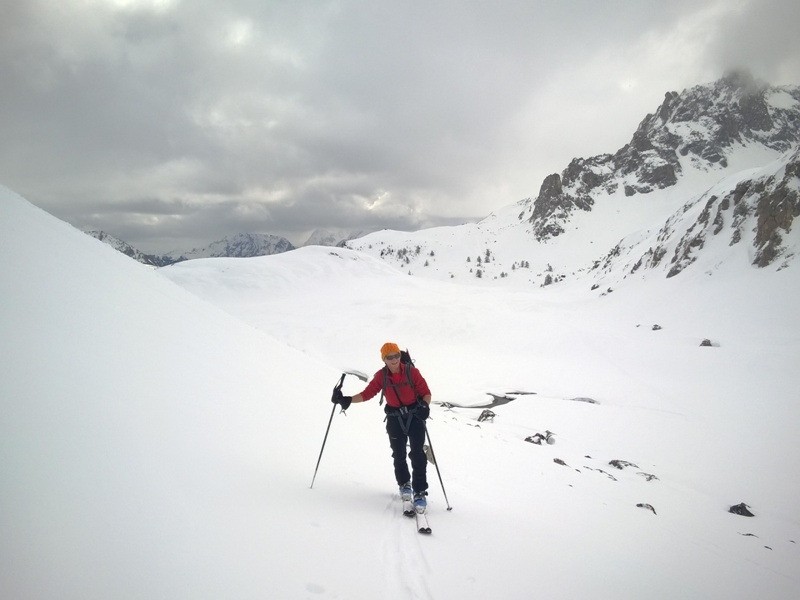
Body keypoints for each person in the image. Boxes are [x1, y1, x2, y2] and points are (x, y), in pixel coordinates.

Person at [332, 342, 432, 511]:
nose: (394, 360)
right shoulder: (382, 376)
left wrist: (425, 406)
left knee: (418, 454)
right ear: (384, 359)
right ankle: (404, 484)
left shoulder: (411, 372)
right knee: (398, 454)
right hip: (394, 418)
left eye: (396, 356)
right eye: (389, 357)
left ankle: (420, 491)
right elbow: (367, 393)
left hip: (415, 416)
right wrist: (347, 400)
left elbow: (426, 392)